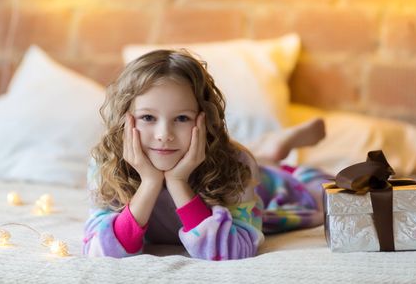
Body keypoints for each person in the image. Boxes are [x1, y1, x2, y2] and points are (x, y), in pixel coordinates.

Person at [83, 49, 330, 260]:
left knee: (316, 187)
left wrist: (178, 182)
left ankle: (272, 151)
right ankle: (269, 148)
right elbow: (99, 250)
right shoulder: (107, 162)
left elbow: (234, 250)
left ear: (205, 119)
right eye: (148, 117)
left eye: (182, 118)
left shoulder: (236, 165)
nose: (164, 134)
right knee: (259, 158)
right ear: (124, 120)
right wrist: (149, 182)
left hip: (265, 182)